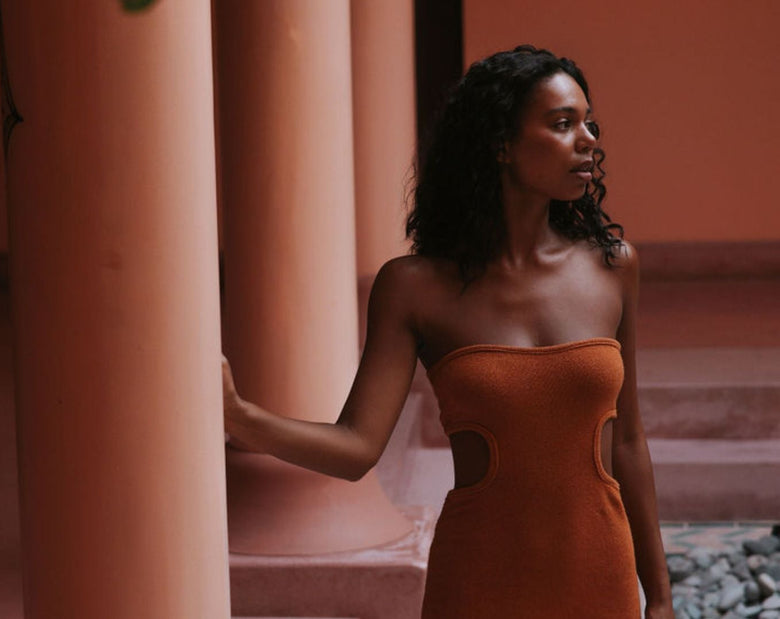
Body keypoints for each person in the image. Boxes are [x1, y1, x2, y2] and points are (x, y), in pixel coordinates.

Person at [221, 45, 674, 618]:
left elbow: (629, 443)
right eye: (563, 124)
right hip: (479, 579)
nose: (588, 139)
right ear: (501, 145)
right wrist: (241, 417)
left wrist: (658, 596)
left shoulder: (613, 266)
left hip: (598, 572)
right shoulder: (413, 287)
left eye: (589, 123)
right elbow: (356, 449)